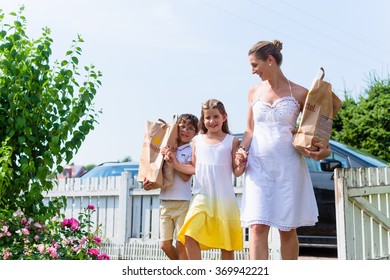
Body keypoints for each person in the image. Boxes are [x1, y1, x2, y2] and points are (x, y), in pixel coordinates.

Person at [235, 40, 331, 260]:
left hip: (289, 167)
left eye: (254, 65)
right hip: (258, 167)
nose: (252, 71)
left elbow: (314, 131)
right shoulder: (253, 92)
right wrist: (241, 150)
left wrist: (319, 149)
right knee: (258, 227)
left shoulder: (300, 93)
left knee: (287, 229)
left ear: (270, 60)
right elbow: (249, 129)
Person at [174, 99, 245, 260]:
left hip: (224, 200)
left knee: (226, 245)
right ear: (203, 120)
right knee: (190, 235)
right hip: (201, 197)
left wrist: (242, 164)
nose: (211, 121)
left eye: (215, 116)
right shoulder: (196, 141)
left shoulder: (231, 141)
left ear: (224, 117)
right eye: (207, 117)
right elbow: (194, 168)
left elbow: (237, 171)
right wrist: (175, 163)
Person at [143, 113, 199, 260]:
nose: (185, 130)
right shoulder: (165, 147)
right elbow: (157, 175)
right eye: (182, 126)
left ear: (196, 133)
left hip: (183, 204)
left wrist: (173, 160)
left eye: (190, 128)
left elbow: (186, 177)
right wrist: (148, 184)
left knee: (181, 246)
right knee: (165, 245)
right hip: (165, 203)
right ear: (176, 128)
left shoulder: (190, 150)